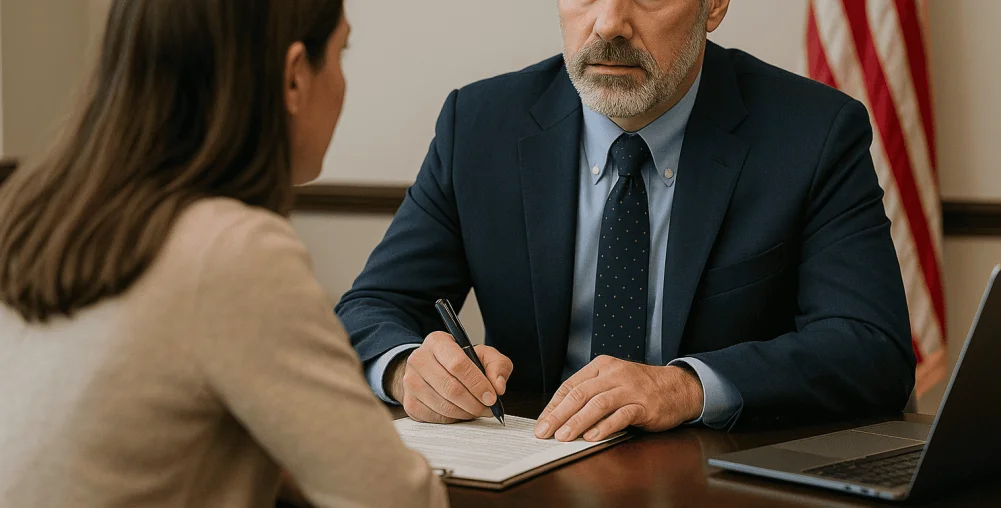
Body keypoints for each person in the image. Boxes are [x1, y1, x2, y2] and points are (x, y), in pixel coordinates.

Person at [337, 0, 916, 441]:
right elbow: (371, 309)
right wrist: (406, 368)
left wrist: (686, 386)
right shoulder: (481, 125)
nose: (610, 23)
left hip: (717, 481)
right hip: (531, 470)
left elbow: (871, 348)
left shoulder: (813, 134)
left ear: (713, 5)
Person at [0, 1, 447, 507]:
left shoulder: (33, 217)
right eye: (342, 52)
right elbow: (399, 501)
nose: (344, 83)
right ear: (295, 77)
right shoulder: (234, 251)